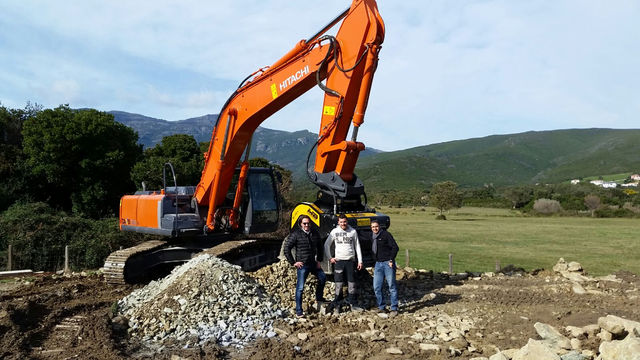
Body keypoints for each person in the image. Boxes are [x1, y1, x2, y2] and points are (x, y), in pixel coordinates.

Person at [284, 215, 327, 317]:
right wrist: (293, 262)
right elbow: (287, 248)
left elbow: (320, 247)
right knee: (300, 288)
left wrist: (319, 260)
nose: (306, 225)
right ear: (300, 224)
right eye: (304, 223)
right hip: (302, 265)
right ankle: (299, 310)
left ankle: (319, 297)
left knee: (323, 278)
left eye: (308, 223)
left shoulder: (314, 233)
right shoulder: (296, 234)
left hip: (313, 263)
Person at [325, 214, 363, 313]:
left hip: (350, 261)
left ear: (347, 222)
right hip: (339, 261)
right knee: (339, 284)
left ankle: (353, 304)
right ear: (338, 222)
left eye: (344, 222)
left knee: (351, 284)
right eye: (341, 222)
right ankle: (337, 304)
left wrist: (360, 261)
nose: (343, 224)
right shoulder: (335, 232)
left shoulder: (353, 231)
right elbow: (327, 245)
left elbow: (357, 246)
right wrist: (330, 258)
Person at [371, 220, 399, 317]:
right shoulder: (373, 237)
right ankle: (381, 307)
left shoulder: (386, 235)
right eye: (373, 227)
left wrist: (391, 260)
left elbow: (395, 247)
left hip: (388, 263)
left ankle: (394, 308)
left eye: (376, 226)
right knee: (377, 287)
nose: (375, 228)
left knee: (391, 286)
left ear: (380, 226)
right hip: (378, 264)